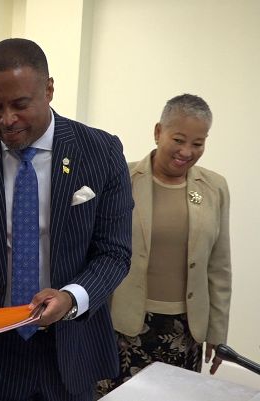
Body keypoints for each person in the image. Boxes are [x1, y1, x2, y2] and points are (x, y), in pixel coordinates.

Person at [0, 38, 133, 401]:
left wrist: (71, 298)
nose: (6, 120)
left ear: (49, 89)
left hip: (68, 353)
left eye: (20, 105)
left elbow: (114, 253)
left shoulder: (100, 151)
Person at [97, 94, 231, 395]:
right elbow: (99, 253)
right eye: (179, 139)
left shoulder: (214, 188)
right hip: (124, 324)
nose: (187, 152)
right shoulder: (123, 178)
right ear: (159, 132)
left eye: (198, 144)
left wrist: (217, 333)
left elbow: (219, 267)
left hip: (185, 331)